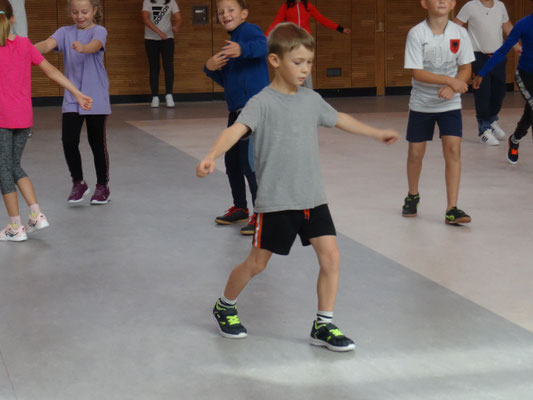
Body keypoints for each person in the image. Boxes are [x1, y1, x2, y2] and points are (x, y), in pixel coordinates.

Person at [197, 23, 399, 352]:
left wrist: (375, 133)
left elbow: (341, 118)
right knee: (257, 264)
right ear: (275, 61)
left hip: (312, 197)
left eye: (309, 62)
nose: (305, 69)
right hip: (277, 201)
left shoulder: (311, 100)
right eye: (298, 62)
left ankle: (324, 324)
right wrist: (211, 156)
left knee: (331, 257)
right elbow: (235, 131)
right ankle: (225, 305)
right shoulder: (261, 102)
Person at [0, 0, 92, 241]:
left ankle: (15, 227)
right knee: (14, 166)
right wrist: (77, 93)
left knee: (3, 170)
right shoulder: (24, 44)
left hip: (2, 118)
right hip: (24, 118)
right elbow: (52, 71)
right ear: (13, 19)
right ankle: (36, 215)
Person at [402, 0, 475, 225]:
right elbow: (417, 73)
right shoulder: (416, 34)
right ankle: (412, 195)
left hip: (449, 104)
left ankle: (451, 208)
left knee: (453, 150)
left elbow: (466, 69)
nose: (442, 1)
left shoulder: (460, 33)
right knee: (415, 154)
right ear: (424, 3)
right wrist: (449, 81)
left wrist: (454, 85)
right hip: (422, 104)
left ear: (453, 3)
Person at [36, 0, 112, 205]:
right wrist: (29, 49)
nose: (80, 16)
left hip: (95, 95)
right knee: (69, 141)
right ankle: (78, 182)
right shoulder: (64, 32)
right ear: (70, 12)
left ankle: (102, 186)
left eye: (85, 12)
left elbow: (94, 46)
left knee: (96, 143)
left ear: (94, 11)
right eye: (75, 12)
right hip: (72, 95)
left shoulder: (100, 31)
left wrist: (83, 47)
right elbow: (46, 44)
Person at [204, 0, 270, 235]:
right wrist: (210, 67)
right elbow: (228, 81)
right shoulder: (228, 44)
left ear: (244, 13)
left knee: (249, 163)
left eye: (231, 10)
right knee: (232, 161)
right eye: (221, 12)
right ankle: (241, 208)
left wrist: (242, 50)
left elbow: (264, 46)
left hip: (254, 110)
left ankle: (262, 214)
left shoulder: (249, 31)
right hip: (237, 112)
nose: (225, 14)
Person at [454, 0, 520, 146]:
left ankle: (491, 120)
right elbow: (456, 25)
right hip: (478, 57)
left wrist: (517, 47)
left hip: (498, 56)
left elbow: (507, 27)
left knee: (499, 92)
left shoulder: (500, 6)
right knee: (483, 93)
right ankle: (484, 130)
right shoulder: (470, 6)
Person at [473, 8, 533, 164]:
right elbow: (502, 51)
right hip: (526, 76)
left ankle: (515, 139)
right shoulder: (523, 24)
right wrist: (482, 73)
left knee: (530, 112)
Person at [265, 0, 351, 88]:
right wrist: (265, 38)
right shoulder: (286, 7)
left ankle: (309, 93)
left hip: (305, 43)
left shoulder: (308, 6)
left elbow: (321, 19)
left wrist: (340, 29)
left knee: (304, 68)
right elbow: (276, 22)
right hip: (292, 43)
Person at [142, 0, 182, 108]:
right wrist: (159, 32)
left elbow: (178, 18)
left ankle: (169, 95)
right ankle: (155, 97)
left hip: (167, 39)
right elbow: (145, 19)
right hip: (151, 39)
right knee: (154, 67)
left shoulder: (171, 2)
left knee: (168, 66)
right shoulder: (147, 1)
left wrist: (176, 26)